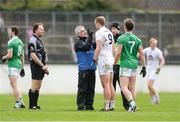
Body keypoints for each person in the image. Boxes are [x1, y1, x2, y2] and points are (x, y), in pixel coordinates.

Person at [114, 18, 146, 112]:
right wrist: (144, 67)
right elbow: (142, 54)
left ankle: (132, 104)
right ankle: (133, 107)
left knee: (124, 87)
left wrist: (114, 63)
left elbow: (118, 53)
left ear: (125, 27)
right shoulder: (138, 39)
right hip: (134, 65)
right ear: (133, 27)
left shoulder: (121, 38)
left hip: (125, 65)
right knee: (132, 87)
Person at [93, 16, 115, 111]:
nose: (95, 25)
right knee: (110, 84)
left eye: (95, 23)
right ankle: (112, 105)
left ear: (98, 23)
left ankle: (106, 107)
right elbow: (113, 48)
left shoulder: (99, 32)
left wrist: (94, 58)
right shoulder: (109, 32)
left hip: (104, 59)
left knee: (105, 84)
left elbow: (98, 47)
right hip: (110, 58)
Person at [2, 26, 25, 108]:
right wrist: (23, 67)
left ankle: (18, 102)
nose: (8, 32)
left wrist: (3, 58)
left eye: (9, 31)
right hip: (18, 65)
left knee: (14, 85)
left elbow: (10, 55)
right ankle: (21, 101)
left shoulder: (11, 42)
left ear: (13, 32)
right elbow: (22, 56)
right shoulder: (20, 42)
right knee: (14, 84)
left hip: (13, 65)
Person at [74, 26, 96, 111]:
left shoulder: (89, 42)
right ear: (78, 34)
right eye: (83, 31)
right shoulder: (78, 43)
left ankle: (89, 105)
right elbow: (86, 47)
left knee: (91, 89)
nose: (85, 32)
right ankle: (81, 105)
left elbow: (98, 45)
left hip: (92, 68)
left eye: (85, 31)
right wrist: (90, 37)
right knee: (83, 89)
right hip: (84, 69)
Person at [28, 23, 49, 109]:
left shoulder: (38, 40)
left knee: (38, 85)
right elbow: (33, 55)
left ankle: (35, 105)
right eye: (41, 29)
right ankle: (31, 105)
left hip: (40, 66)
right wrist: (41, 65)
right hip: (36, 65)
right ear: (36, 30)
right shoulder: (32, 39)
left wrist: (44, 67)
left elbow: (41, 54)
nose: (43, 31)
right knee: (34, 84)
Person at [110, 22, 129, 111]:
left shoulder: (122, 38)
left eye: (114, 29)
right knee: (111, 86)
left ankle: (127, 105)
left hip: (121, 65)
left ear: (118, 29)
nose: (113, 30)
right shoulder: (110, 38)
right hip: (112, 64)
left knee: (123, 87)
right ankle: (111, 105)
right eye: (112, 29)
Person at [144, 38, 165, 104]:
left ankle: (156, 96)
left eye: (155, 44)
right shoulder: (147, 50)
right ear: (150, 43)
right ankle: (153, 99)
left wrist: (159, 68)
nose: (154, 45)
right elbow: (140, 54)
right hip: (148, 69)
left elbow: (162, 61)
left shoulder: (158, 51)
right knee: (148, 86)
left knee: (150, 85)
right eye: (153, 44)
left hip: (155, 70)